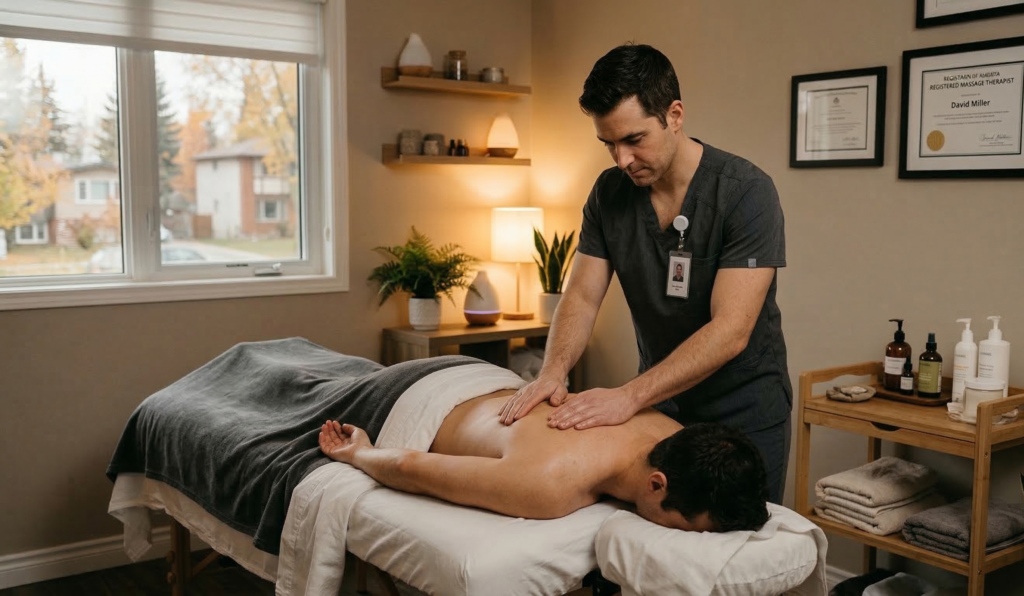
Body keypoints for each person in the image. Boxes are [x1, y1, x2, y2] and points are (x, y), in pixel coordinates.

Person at [497, 43, 792, 505]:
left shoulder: (745, 193)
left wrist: (628, 397)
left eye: (634, 139)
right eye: (609, 144)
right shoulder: (609, 194)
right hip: (660, 409)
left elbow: (731, 330)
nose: (622, 159)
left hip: (744, 413)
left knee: (744, 543)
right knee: (658, 533)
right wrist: (553, 371)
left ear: (674, 115)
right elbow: (582, 296)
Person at [320, 387, 769, 533]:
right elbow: (409, 467)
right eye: (692, 530)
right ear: (656, 485)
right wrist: (361, 452)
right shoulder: (551, 483)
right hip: (412, 396)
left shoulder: (673, 431)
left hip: (491, 380)